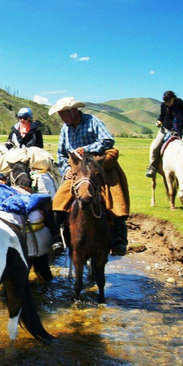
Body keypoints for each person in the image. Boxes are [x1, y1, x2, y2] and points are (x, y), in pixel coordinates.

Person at [48, 97, 130, 256]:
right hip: (77, 169)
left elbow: (108, 140)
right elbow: (61, 154)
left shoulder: (93, 121)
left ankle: (119, 239)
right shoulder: (65, 129)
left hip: (98, 166)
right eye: (60, 114)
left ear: (74, 111)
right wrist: (66, 169)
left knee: (116, 197)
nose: (62, 118)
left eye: (64, 114)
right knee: (58, 201)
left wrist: (86, 149)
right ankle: (57, 237)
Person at [146, 90, 183, 178]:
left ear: (173, 98)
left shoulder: (182, 104)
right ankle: (152, 167)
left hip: (179, 130)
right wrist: (159, 121)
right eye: (166, 102)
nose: (168, 104)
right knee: (154, 147)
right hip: (165, 129)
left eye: (169, 102)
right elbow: (162, 115)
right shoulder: (163, 105)